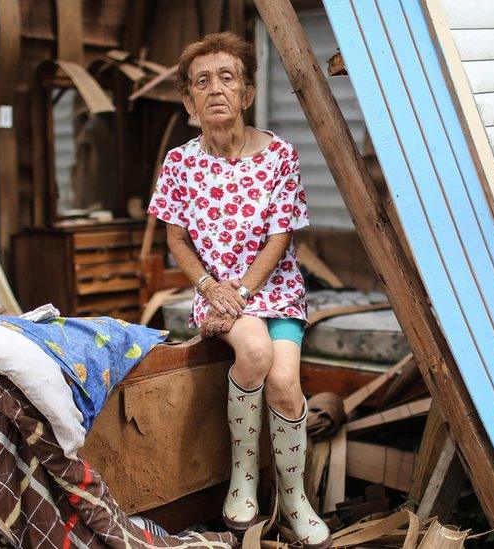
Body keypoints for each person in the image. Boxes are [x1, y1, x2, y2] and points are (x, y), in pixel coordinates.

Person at [147, 31, 330, 549]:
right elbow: (175, 237)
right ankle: (243, 480)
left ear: (247, 93)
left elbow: (280, 236)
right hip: (217, 291)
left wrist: (243, 291)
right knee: (253, 351)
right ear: (188, 101)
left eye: (227, 78)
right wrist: (210, 286)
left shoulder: (280, 156)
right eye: (202, 82)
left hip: (274, 290)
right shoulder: (181, 164)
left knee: (286, 384)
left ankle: (294, 500)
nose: (215, 89)